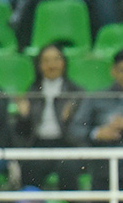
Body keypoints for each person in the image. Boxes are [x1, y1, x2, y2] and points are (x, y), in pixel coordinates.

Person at [68, 48, 123, 195]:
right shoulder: (96, 98)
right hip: (102, 169)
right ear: (113, 71)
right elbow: (75, 129)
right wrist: (97, 133)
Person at [14, 44, 85, 189]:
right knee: (29, 168)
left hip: (66, 144)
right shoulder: (32, 90)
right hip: (39, 143)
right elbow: (22, 131)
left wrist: (69, 118)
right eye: (46, 61)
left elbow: (81, 127)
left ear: (64, 63)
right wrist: (24, 116)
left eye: (56, 60)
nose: (51, 65)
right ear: (39, 65)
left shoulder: (76, 92)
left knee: (68, 170)